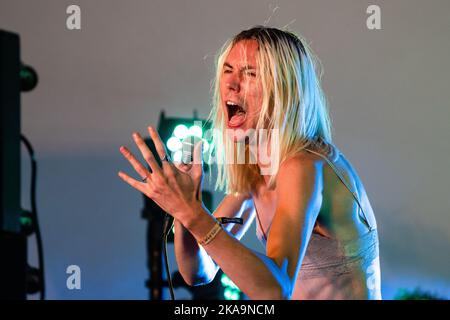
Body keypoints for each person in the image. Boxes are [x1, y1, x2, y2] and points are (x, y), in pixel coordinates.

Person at [118, 26, 381, 300]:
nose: (232, 83)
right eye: (228, 70)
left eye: (250, 73)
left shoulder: (304, 165)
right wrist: (185, 212)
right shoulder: (257, 166)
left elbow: (274, 290)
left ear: (284, 89)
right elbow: (198, 272)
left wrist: (194, 214)